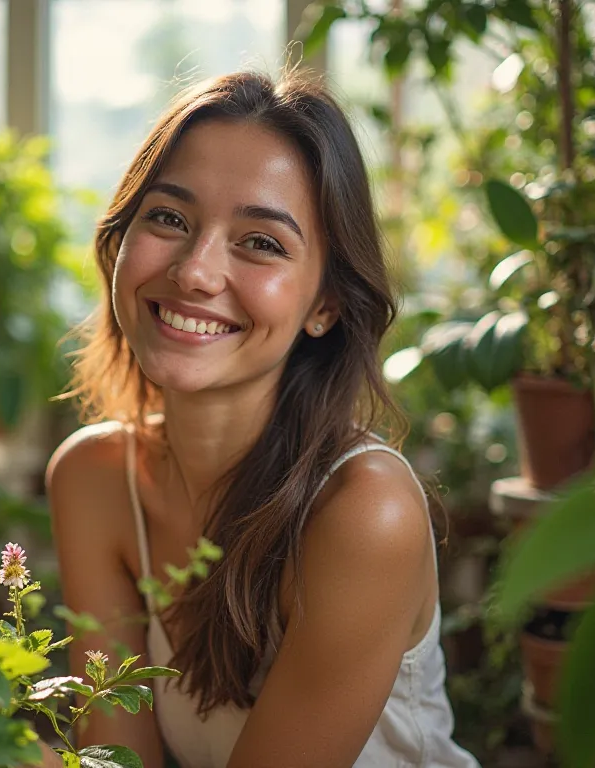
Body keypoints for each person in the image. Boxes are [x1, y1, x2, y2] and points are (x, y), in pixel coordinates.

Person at [44, 68, 480, 768]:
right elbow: (116, 762)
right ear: (120, 240)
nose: (194, 272)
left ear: (325, 305)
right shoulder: (93, 479)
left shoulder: (364, 513)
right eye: (168, 218)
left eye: (262, 242)